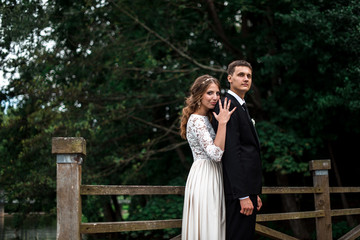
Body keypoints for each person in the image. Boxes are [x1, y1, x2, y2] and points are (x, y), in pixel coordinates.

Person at [180, 74, 236, 240]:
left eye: (217, 93)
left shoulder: (208, 118)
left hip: (214, 174)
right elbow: (216, 154)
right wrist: (223, 123)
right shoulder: (196, 120)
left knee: (216, 222)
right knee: (208, 223)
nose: (215, 97)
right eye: (209, 93)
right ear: (199, 95)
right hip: (204, 176)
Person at [212, 60, 263, 240]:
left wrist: (254, 192)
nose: (246, 79)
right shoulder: (227, 105)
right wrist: (242, 195)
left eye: (249, 76)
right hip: (237, 192)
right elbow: (232, 154)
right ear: (229, 78)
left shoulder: (241, 105)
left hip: (248, 189)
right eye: (241, 75)